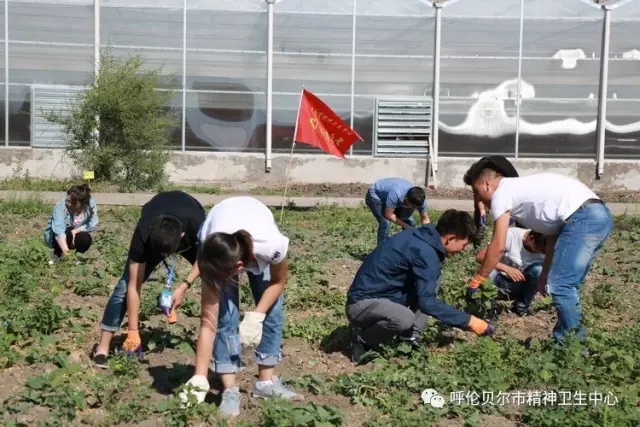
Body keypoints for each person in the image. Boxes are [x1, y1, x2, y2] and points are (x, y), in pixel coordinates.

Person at [179, 196, 302, 418]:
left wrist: (257, 315)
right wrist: (199, 376)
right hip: (221, 231)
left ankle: (265, 383)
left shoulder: (271, 246)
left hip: (255, 226)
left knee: (273, 311)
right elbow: (208, 322)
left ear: (238, 266)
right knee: (226, 317)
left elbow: (278, 282)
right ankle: (230, 389)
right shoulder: (211, 246)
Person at [465, 165, 614, 344]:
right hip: (599, 216)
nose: (478, 199)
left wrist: (478, 279)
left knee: (561, 286)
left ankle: (573, 346)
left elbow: (498, 245)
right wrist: (545, 273)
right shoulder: (521, 190)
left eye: (476, 191)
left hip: (582, 218)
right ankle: (565, 342)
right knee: (567, 287)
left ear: (486, 185)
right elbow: (552, 236)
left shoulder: (501, 194)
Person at [345, 209, 494, 364]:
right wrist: (469, 321)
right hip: (361, 305)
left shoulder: (423, 237)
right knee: (404, 318)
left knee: (432, 280)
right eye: (464, 245)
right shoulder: (425, 252)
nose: (462, 250)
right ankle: (362, 340)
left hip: (385, 295)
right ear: (450, 238)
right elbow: (427, 303)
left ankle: (408, 338)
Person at [91, 191, 206, 368]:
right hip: (156, 227)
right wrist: (133, 331)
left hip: (189, 226)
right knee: (123, 287)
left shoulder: (197, 225)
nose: (164, 257)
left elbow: (206, 260)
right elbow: (133, 286)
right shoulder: (144, 233)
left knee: (214, 280)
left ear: (181, 237)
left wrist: (184, 286)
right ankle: (103, 346)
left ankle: (213, 341)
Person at [475, 227, 547, 317]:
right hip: (498, 282)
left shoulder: (547, 247)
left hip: (520, 287)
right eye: (540, 249)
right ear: (531, 238)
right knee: (489, 270)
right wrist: (506, 268)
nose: (543, 253)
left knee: (539, 270)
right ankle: (489, 308)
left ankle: (521, 307)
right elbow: (480, 257)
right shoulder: (510, 235)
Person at [463, 156, 522, 235]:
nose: (478, 198)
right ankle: (477, 236)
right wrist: (481, 210)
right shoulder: (480, 176)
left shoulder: (508, 182)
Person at [365, 177, 430, 246]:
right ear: (406, 199)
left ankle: (405, 249)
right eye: (413, 207)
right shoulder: (396, 193)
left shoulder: (421, 201)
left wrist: (428, 234)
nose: (414, 209)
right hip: (376, 196)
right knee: (385, 222)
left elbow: (425, 219)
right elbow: (388, 215)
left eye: (416, 207)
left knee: (410, 222)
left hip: (393, 198)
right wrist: (407, 227)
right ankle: (381, 251)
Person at [43, 184, 99, 263]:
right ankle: (58, 253)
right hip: (57, 237)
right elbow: (59, 233)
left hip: (74, 234)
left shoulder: (90, 204)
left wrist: (75, 231)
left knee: (85, 238)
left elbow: (93, 223)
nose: (68, 204)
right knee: (66, 233)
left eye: (72, 203)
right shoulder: (60, 207)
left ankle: (78, 256)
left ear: (81, 203)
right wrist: (69, 256)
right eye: (67, 200)